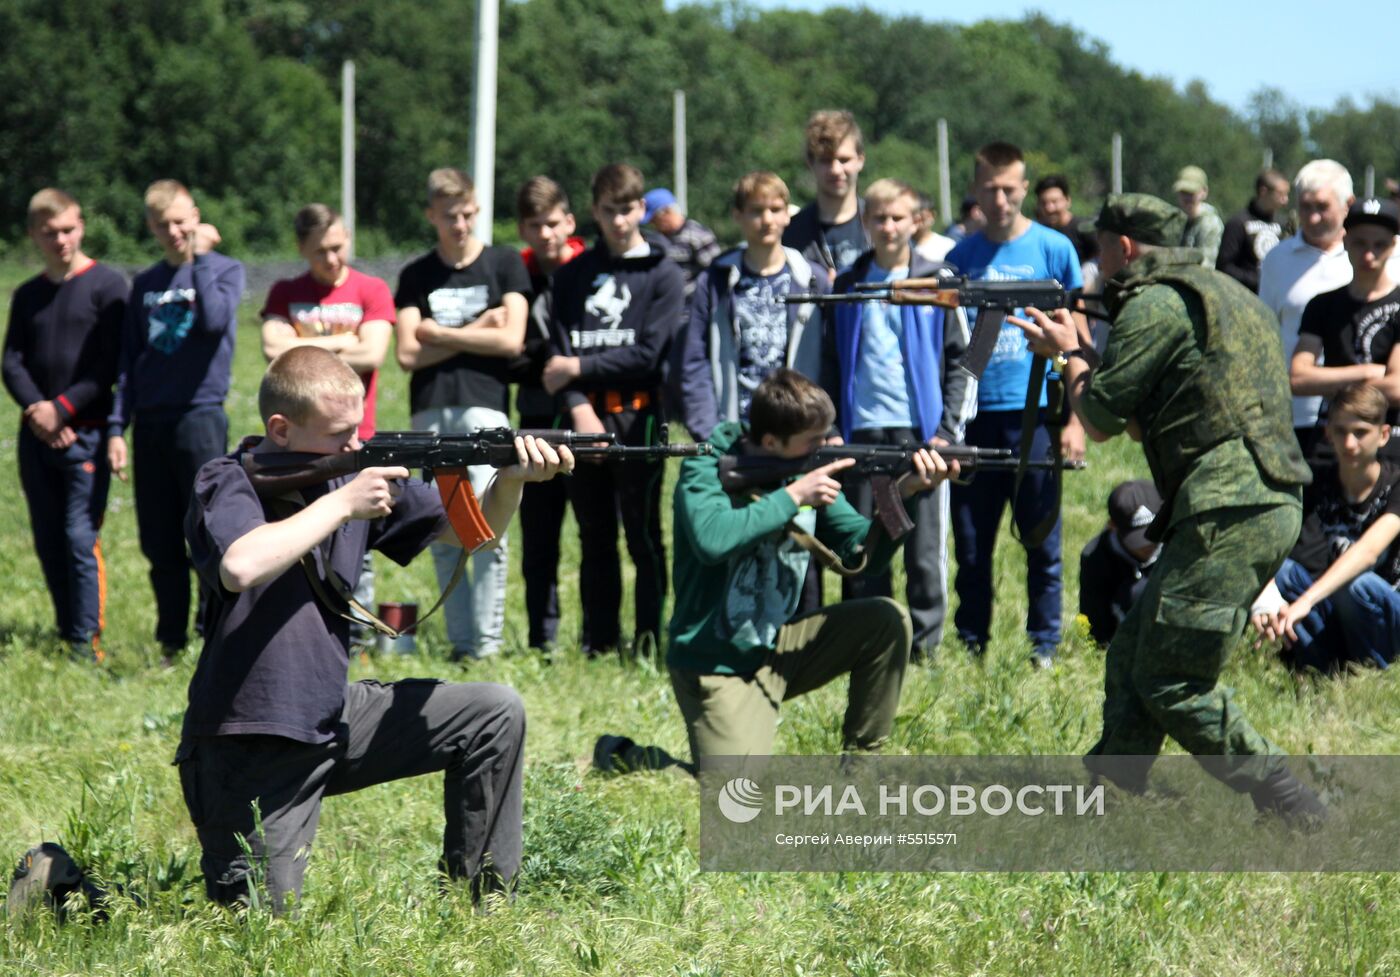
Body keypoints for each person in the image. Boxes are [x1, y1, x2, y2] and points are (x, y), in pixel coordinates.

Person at [176, 346, 572, 911]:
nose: (355, 446)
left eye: (358, 431)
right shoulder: (226, 480)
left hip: (331, 717)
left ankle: (483, 905)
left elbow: (470, 534)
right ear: (280, 429)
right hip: (250, 742)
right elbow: (240, 566)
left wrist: (513, 479)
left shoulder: (349, 476)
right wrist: (342, 507)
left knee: (493, 712)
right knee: (260, 936)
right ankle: (57, 881)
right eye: (340, 435)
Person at [1013, 192, 1324, 821]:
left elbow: (1098, 421)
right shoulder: (1223, 295)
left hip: (1228, 507)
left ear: (1124, 247)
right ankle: (1112, 790)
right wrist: (1083, 356)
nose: (1094, 265)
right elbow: (1137, 418)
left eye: (1099, 249)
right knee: (1133, 650)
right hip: (1253, 501)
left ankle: (1285, 796)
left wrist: (1070, 353)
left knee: (1171, 680)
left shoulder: (1154, 304)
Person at [665, 369, 951, 768]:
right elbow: (713, 540)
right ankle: (627, 756)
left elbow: (858, 554)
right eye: (815, 441)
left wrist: (904, 494)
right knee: (734, 792)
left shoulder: (802, 468)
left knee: (886, 619)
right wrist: (794, 496)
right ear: (770, 442)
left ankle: (861, 766)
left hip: (776, 647)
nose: (830, 445)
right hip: (714, 663)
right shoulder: (706, 467)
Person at [821, 178, 976, 658]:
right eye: (878, 218)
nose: (888, 227)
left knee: (924, 550)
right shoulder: (848, 283)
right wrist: (830, 428)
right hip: (860, 431)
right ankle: (864, 645)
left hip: (922, 435)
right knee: (865, 540)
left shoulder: (939, 281)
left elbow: (963, 363)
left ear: (917, 221)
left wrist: (946, 431)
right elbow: (828, 361)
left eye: (897, 218)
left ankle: (925, 648)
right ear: (865, 222)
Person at [945, 142, 1085, 667]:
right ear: (977, 189)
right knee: (973, 544)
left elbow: (1078, 335)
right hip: (976, 418)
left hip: (1040, 416)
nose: (1000, 199)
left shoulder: (1054, 250)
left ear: (1025, 187)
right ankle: (971, 643)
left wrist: (1074, 416)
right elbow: (949, 348)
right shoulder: (960, 258)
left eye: (1010, 188)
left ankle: (1043, 647)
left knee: (1041, 540)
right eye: (990, 189)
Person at [543, 163, 684, 656]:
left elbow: (649, 353)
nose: (620, 221)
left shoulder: (664, 272)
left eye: (628, 210)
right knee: (594, 536)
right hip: (582, 423)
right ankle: (599, 642)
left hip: (639, 419)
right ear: (594, 212)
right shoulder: (571, 277)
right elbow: (554, 360)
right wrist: (579, 407)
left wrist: (578, 368)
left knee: (644, 537)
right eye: (609, 211)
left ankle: (648, 642)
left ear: (642, 209)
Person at [394, 167, 531, 661]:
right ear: (432, 215)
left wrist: (439, 333)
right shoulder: (416, 275)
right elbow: (407, 355)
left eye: (469, 214)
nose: (461, 224)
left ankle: (487, 645)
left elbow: (511, 339)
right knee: (444, 525)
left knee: (487, 524)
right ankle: (459, 644)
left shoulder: (503, 263)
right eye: (450, 216)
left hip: (485, 407)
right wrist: (478, 327)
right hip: (431, 411)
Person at [107, 179, 245, 662]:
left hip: (200, 416)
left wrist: (201, 259)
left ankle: (213, 633)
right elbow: (129, 361)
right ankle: (170, 641)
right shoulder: (143, 285)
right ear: (151, 226)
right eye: (164, 223)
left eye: (182, 220)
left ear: (197, 216)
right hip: (151, 422)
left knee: (206, 530)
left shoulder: (225, 270)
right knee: (159, 536)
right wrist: (115, 428)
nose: (175, 231)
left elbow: (211, 322)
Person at [260, 203, 395, 641]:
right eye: (320, 251)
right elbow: (271, 353)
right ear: (302, 248)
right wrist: (345, 340)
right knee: (301, 532)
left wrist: (304, 344)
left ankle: (358, 635)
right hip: (298, 445)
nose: (332, 259)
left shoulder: (371, 289)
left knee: (358, 540)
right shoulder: (284, 290)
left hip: (357, 440)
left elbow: (373, 353)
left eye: (338, 247)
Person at [2, 189, 125, 661]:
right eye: (50, 233)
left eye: (69, 229)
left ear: (82, 226)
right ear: (34, 234)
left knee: (78, 537)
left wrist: (65, 409)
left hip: (87, 434)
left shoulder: (108, 285)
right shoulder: (28, 294)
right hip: (37, 435)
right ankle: (64, 627)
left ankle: (85, 641)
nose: (61, 240)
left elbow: (108, 363)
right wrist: (40, 411)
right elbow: (11, 362)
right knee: (47, 536)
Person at [1250, 383, 1400, 673]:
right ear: (1327, 433)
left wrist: (1305, 601)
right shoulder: (1316, 484)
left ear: (1383, 435)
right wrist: (1264, 599)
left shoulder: (1396, 483)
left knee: (1358, 584)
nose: (1350, 444)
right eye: (1341, 431)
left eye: (1360, 432)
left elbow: (1368, 553)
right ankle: (1320, 670)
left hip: (1388, 614)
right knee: (1282, 572)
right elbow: (1272, 544)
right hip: (1337, 614)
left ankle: (1374, 674)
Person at [1260, 159, 1400, 457]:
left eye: (1322, 207)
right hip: (1297, 413)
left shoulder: (1392, 261)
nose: (1312, 218)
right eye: (1304, 207)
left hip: (1378, 422)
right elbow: (1265, 338)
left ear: (1347, 204)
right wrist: (1369, 373)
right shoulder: (1277, 259)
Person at [676, 171, 828, 441]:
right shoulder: (715, 280)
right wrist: (709, 431)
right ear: (738, 215)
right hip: (735, 429)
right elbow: (694, 361)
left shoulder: (813, 279)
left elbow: (832, 358)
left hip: (799, 430)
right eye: (756, 211)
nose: (767, 220)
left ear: (787, 215)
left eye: (775, 209)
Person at [512, 175, 585, 654]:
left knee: (596, 533)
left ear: (569, 222)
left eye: (553, 223)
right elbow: (510, 355)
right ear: (523, 228)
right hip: (534, 417)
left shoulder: (591, 268)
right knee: (538, 538)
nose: (546, 235)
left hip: (587, 419)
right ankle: (543, 638)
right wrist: (542, 359)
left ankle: (600, 637)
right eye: (536, 226)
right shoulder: (514, 272)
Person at [1289, 198, 1400, 452]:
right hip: (1331, 442)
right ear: (1345, 241)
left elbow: (1396, 388)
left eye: (1379, 245)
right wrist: (1367, 372)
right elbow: (1298, 378)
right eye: (1360, 243)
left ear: (1393, 246)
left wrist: (1329, 382)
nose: (1369, 255)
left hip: (1388, 441)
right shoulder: (1322, 305)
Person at [783, 110, 868, 282]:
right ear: (810, 162)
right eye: (825, 160)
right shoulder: (790, 233)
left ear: (860, 160)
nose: (836, 170)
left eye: (844, 160)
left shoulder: (884, 225)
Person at [1078, 480, 1161, 646]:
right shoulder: (1096, 557)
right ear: (1112, 526)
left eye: (1152, 536)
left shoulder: (1177, 544)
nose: (1147, 546)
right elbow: (1095, 618)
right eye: (1139, 539)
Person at [642, 187, 721, 307]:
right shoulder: (656, 240)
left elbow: (716, 273)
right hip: (663, 305)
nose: (652, 225)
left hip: (692, 307)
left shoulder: (698, 236)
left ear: (667, 212)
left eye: (654, 219)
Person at [1216, 169, 1292, 293]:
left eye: (1287, 194)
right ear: (1263, 191)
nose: (1285, 200)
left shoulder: (1284, 225)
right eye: (1281, 194)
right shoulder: (1238, 223)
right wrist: (1257, 280)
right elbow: (1224, 267)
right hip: (1246, 299)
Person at [1033, 174, 1093, 265]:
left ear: (1068, 201)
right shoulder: (1037, 233)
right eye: (1044, 203)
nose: (1049, 208)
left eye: (1054, 202)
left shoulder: (1085, 229)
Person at [1173, 165, 1224, 268]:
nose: (1187, 198)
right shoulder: (1176, 221)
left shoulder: (1210, 224)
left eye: (1191, 193)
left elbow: (1205, 266)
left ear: (1204, 192)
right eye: (1184, 193)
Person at [912, 189, 955, 263]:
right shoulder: (900, 248)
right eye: (913, 213)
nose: (917, 217)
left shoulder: (948, 246)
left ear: (932, 215)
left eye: (922, 216)